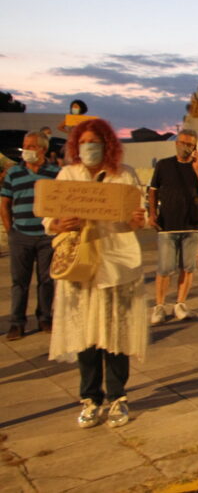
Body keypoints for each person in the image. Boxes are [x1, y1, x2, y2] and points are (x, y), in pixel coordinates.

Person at [44, 118, 147, 429]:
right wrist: (58, 224)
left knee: (116, 334)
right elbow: (50, 217)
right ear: (76, 145)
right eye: (84, 142)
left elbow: (136, 216)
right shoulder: (68, 175)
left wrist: (136, 220)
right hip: (81, 264)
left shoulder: (124, 175)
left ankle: (118, 396)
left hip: (116, 263)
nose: (90, 147)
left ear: (107, 144)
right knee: (85, 336)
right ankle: (90, 397)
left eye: (95, 142)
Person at [148, 129, 198, 324]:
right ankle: (159, 305)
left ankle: (180, 303)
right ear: (176, 143)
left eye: (190, 144)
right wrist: (152, 213)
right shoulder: (164, 165)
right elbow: (153, 190)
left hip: (192, 223)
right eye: (182, 142)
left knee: (188, 266)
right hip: (168, 223)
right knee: (165, 267)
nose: (185, 147)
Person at [1, 131, 60, 340]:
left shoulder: (55, 173)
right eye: (25, 145)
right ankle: (17, 323)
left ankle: (45, 317)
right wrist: (11, 230)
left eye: (32, 146)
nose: (27, 150)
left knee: (46, 280)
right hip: (21, 234)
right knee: (19, 281)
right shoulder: (13, 173)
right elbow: (5, 202)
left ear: (43, 149)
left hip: (46, 236)